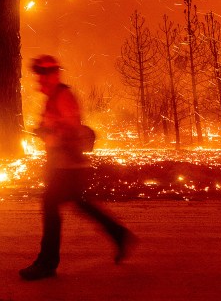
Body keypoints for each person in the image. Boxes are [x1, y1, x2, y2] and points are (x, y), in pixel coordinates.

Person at [19, 55, 136, 281]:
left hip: (67, 165)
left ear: (54, 75)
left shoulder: (63, 97)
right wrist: (43, 130)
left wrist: (50, 133)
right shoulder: (53, 98)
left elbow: (71, 129)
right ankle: (119, 234)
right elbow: (56, 126)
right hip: (64, 164)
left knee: (51, 205)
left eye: (42, 76)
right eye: (38, 76)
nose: (39, 82)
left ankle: (47, 263)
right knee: (79, 203)